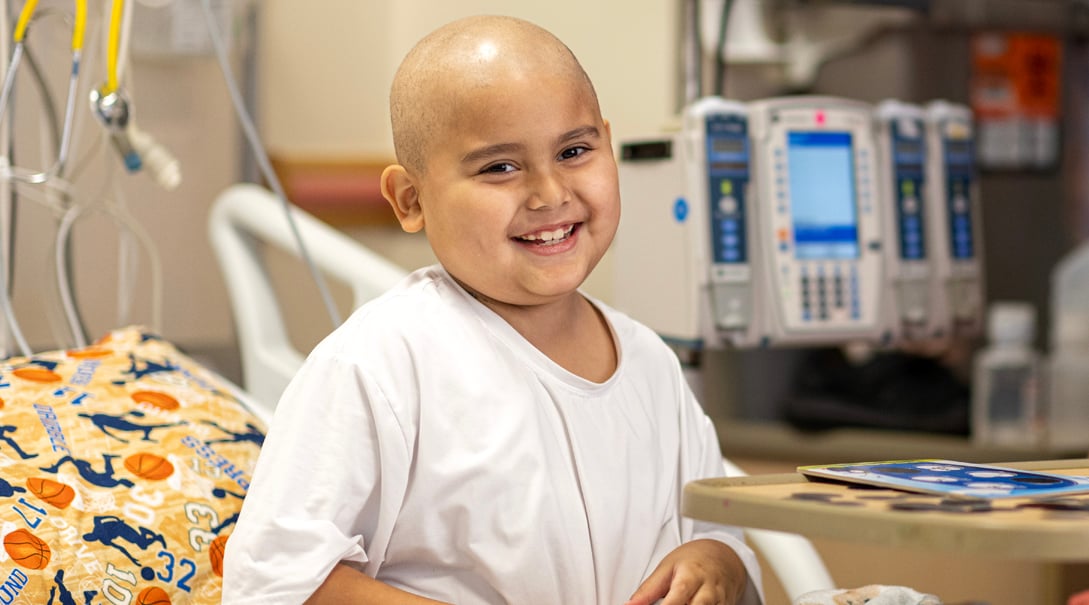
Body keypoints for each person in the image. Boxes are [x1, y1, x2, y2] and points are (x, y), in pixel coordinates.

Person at [222, 14, 763, 605]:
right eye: (499, 167)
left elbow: (716, 531)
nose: (550, 193)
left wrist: (719, 562)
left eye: (576, 150)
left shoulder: (650, 367)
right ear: (411, 198)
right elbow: (273, 580)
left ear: (609, 142)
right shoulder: (381, 365)